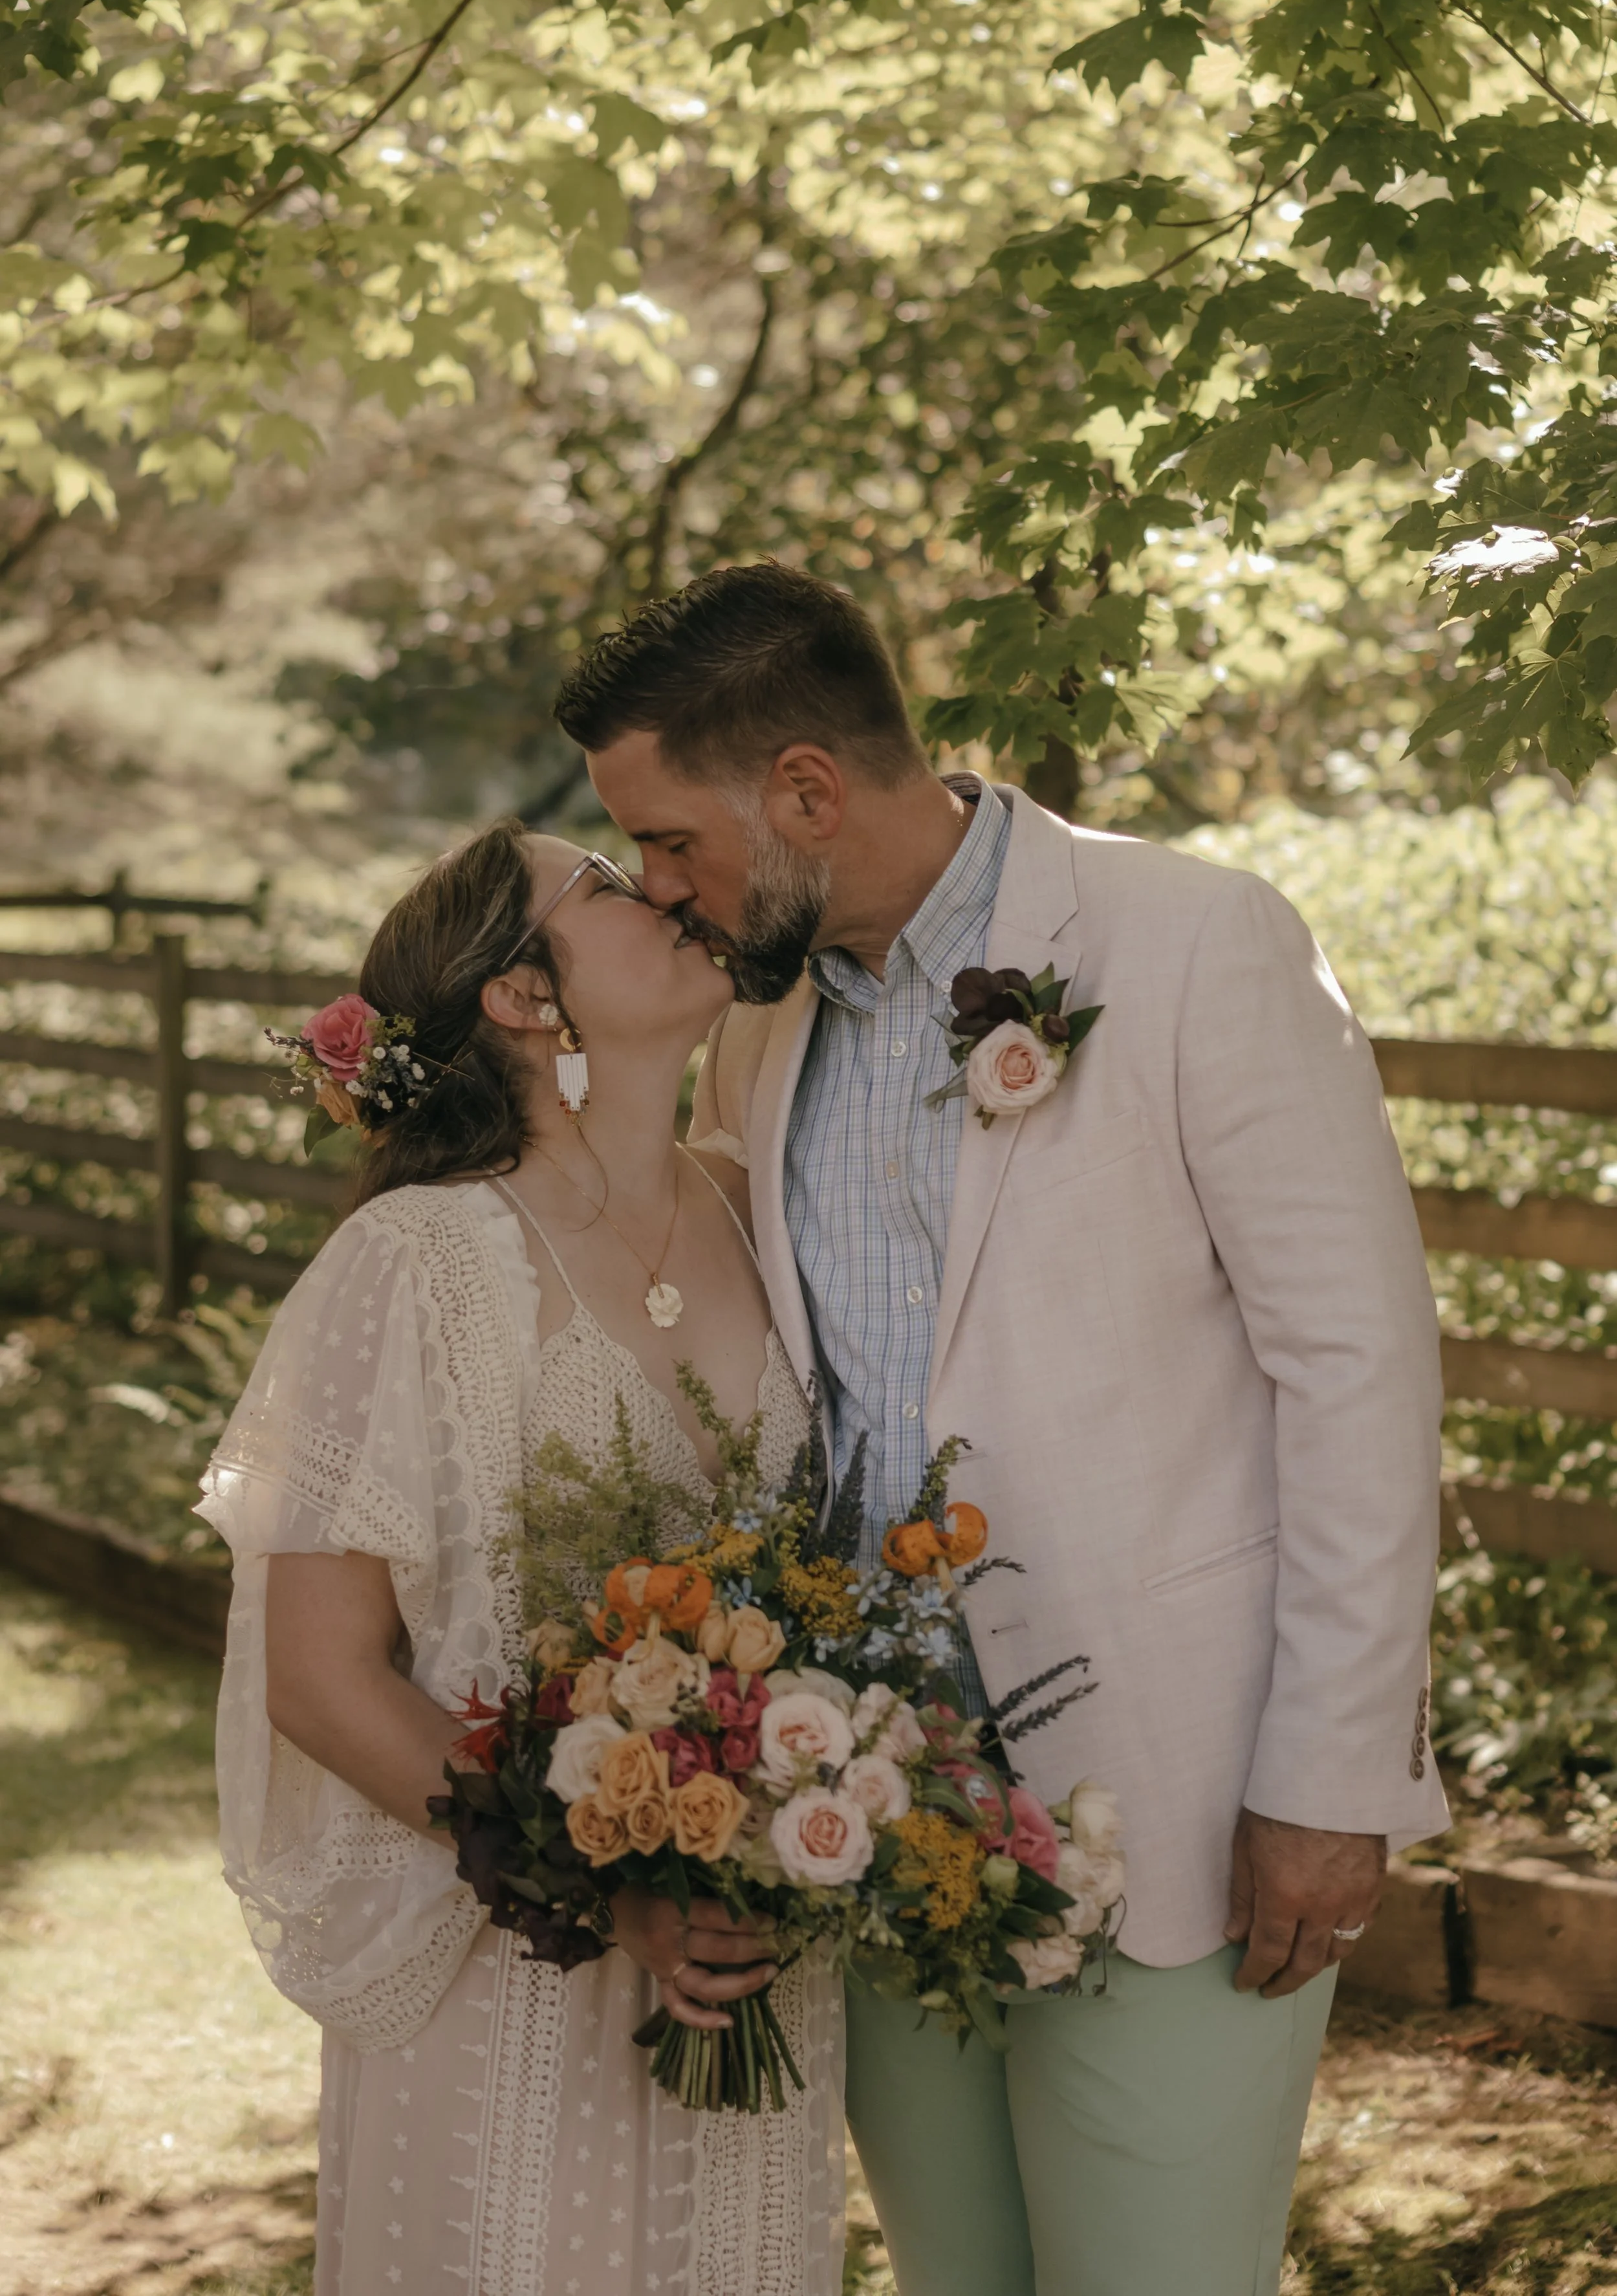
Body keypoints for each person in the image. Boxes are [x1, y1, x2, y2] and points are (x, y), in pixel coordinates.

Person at [556, 560, 1451, 2296]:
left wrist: (1329, 1772)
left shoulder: (1193, 939)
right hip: (873, 1808)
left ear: (805, 788)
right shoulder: (766, 1019)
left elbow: (1358, 1364)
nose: (659, 889)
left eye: (672, 840)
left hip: (1177, 1790)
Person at [197, 816, 844, 2296]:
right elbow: (319, 1675)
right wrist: (607, 1891)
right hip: (511, 1967)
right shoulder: (413, 1261)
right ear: (518, 995)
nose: (664, 890)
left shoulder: (761, 1213)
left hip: (755, 1955)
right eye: (610, 886)